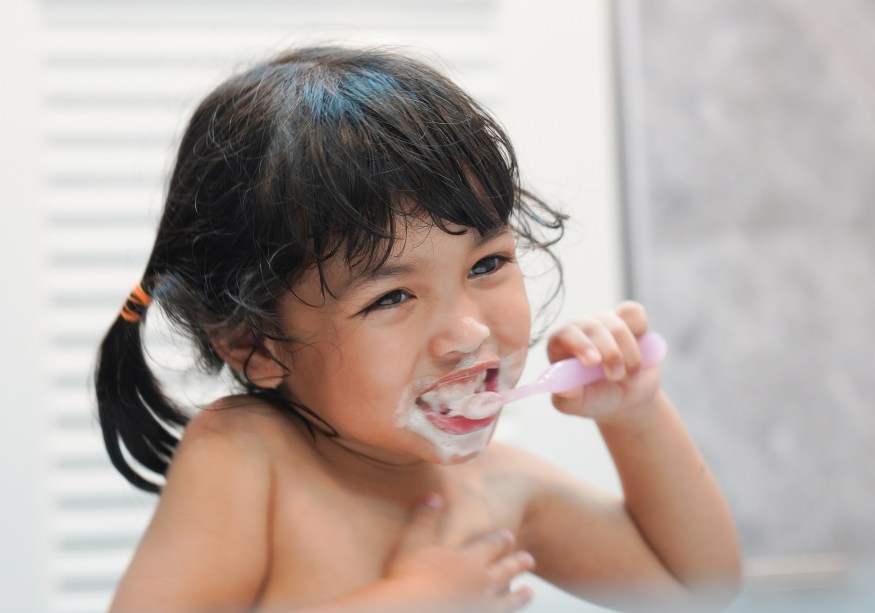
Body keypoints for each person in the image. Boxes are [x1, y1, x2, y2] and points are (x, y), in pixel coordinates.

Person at [94, 45, 741, 613]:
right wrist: (408, 600)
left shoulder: (496, 489)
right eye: (393, 295)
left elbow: (695, 588)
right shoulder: (247, 455)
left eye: (486, 263)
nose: (465, 332)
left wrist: (635, 414)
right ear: (257, 345)